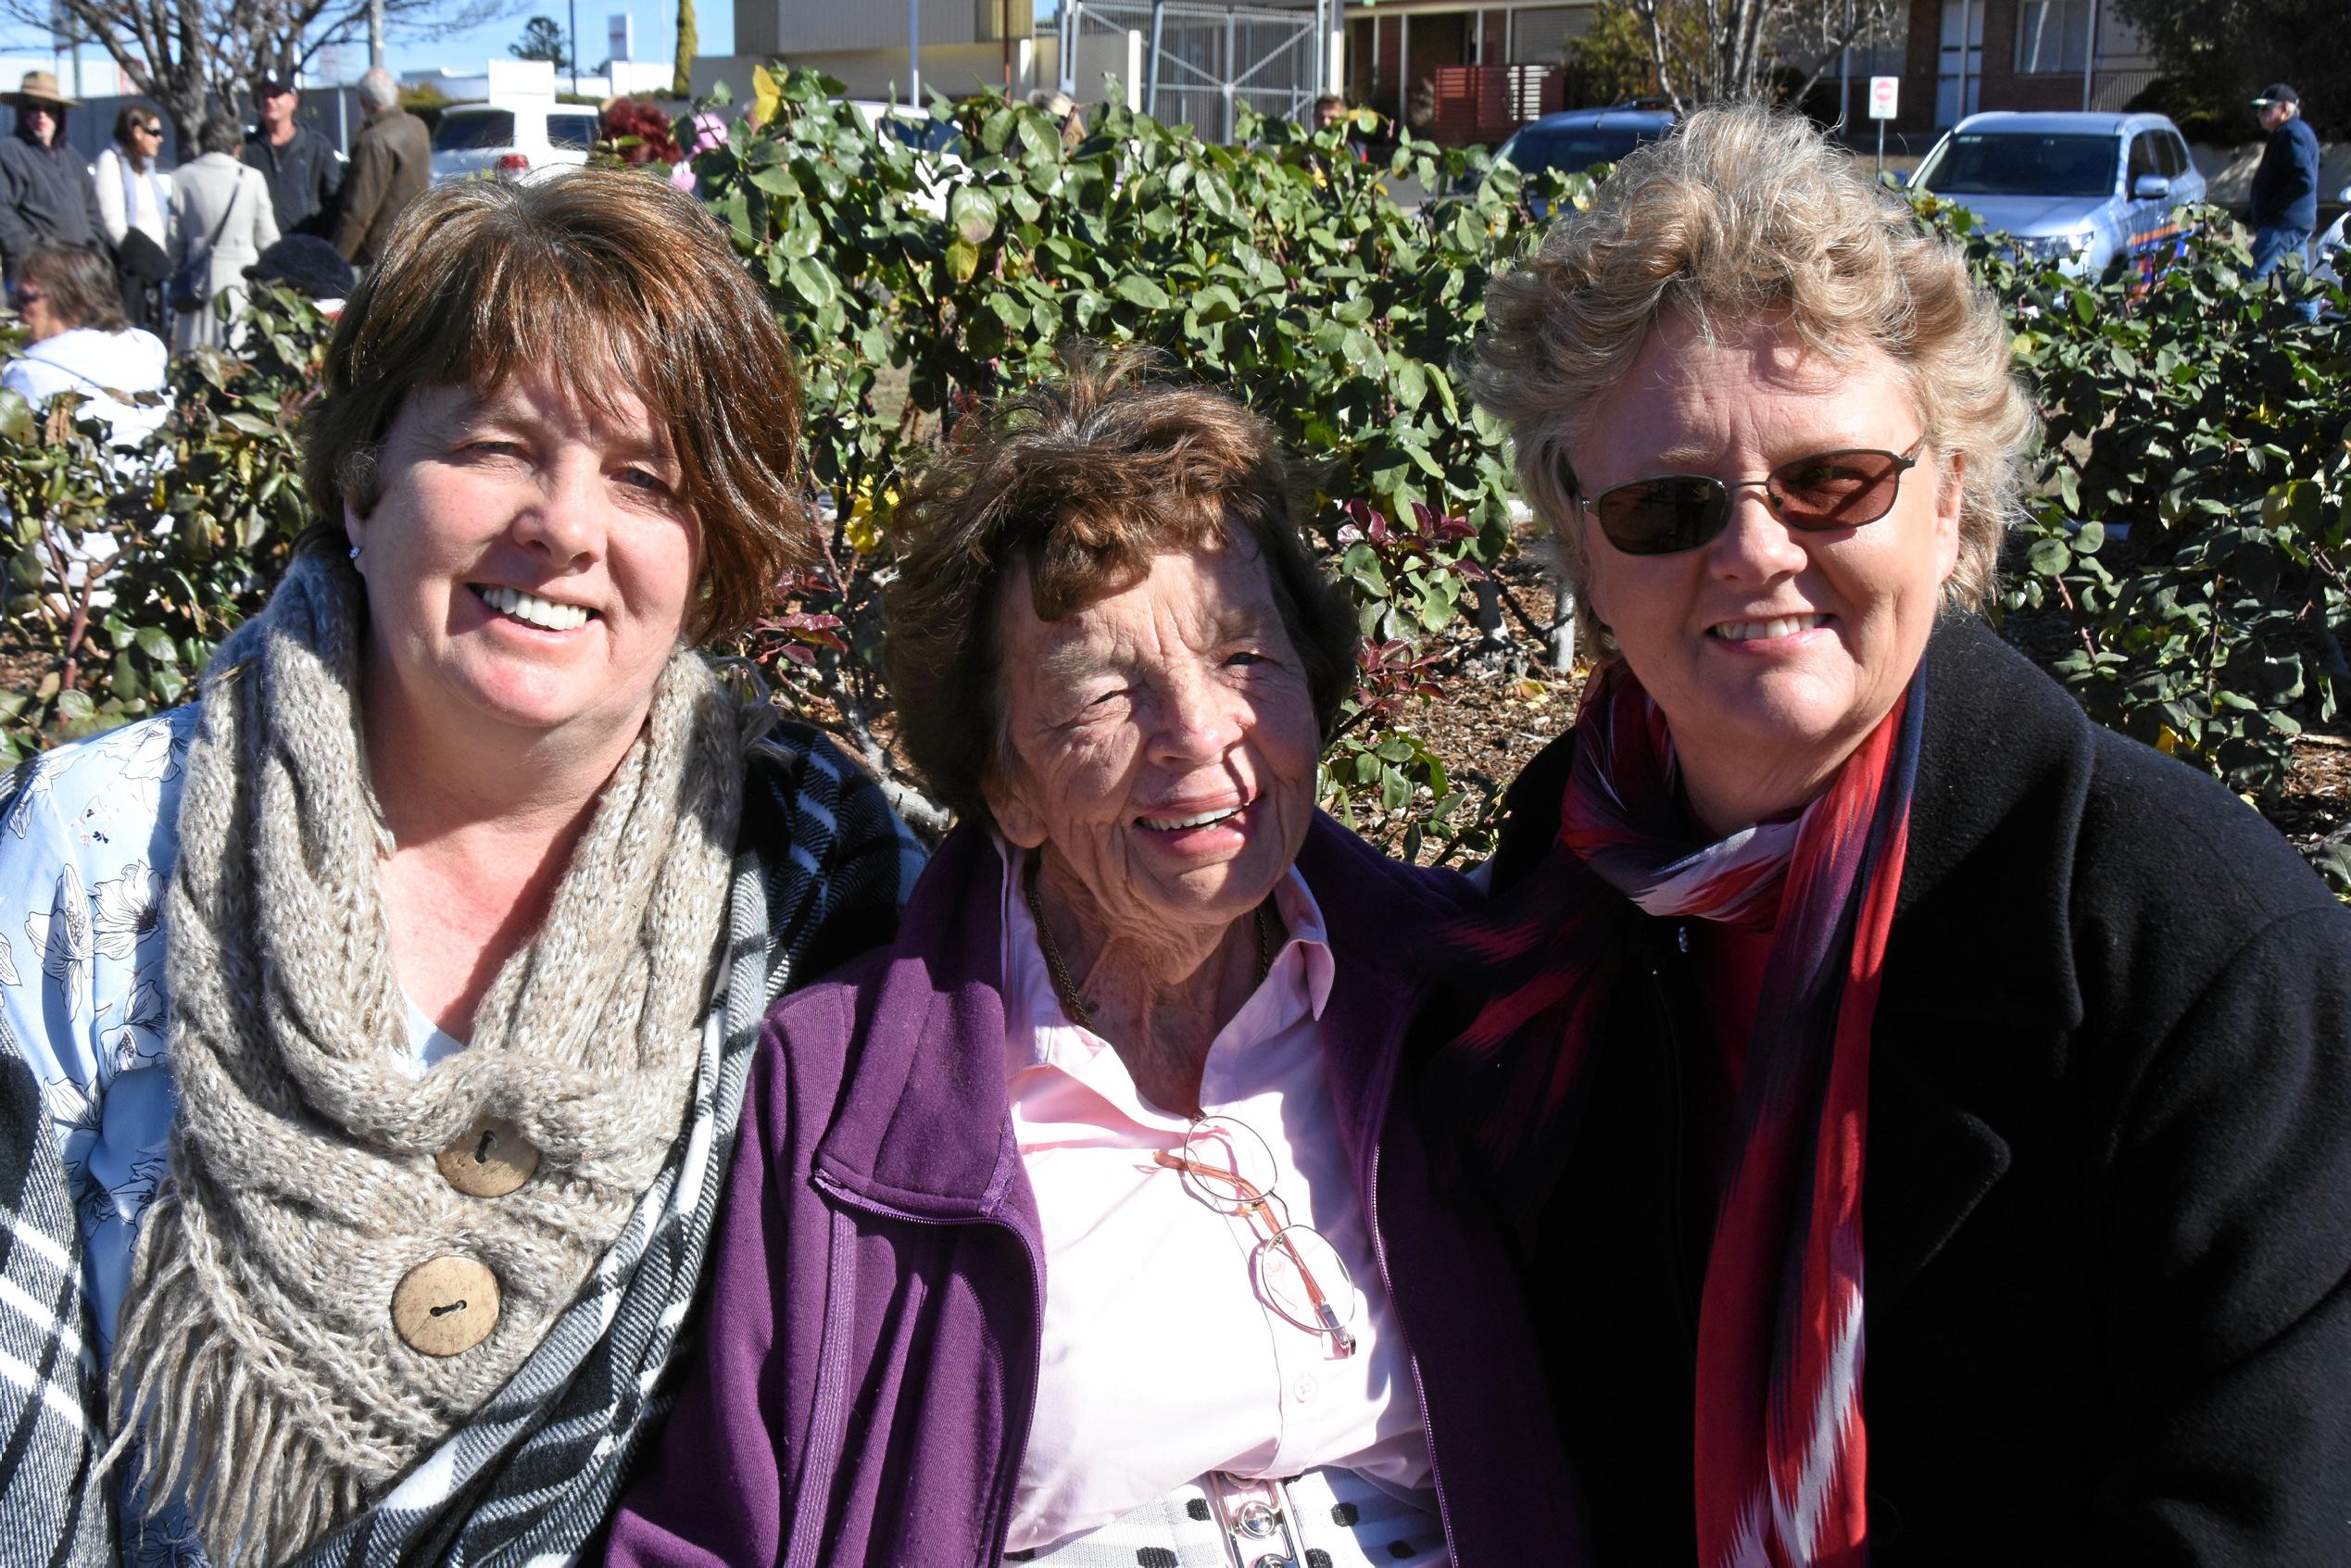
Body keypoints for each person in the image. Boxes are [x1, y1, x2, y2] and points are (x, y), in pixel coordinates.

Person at [1443, 102, 2351, 1565]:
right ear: (1580, 545)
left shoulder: (2195, 956)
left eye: (1828, 482)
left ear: (1947, 502)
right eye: (1668, 504)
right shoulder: (1565, 873)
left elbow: (2251, 1516)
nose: (1752, 550)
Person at [0, 169, 920, 1566]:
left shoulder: (814, 882)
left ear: (708, 550)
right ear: (366, 485)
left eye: (644, 478)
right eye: (494, 445)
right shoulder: (107, 851)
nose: (562, 523)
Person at [603, 351, 1583, 1567]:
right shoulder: (849, 1089)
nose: (1194, 736)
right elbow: (719, 1523)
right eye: (1103, 693)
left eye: (1242, 659)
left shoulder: (1451, 1001)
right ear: (1005, 782)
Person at [2, 243, 168, 448]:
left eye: (24, 299)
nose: (13, 310)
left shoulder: (29, 373)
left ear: (73, 303)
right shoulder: (143, 351)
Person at [169, 113, 280, 354]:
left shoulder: (181, 178)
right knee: (239, 354)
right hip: (241, 282)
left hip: (196, 281)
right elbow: (268, 239)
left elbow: (174, 240)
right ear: (237, 146)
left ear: (201, 141)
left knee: (197, 356)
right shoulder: (252, 178)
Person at [0, 70, 103, 284]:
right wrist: (32, 259)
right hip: (36, 279)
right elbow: (3, 214)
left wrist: (96, 257)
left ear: (60, 114)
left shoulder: (73, 157)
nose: (41, 115)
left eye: (50, 108)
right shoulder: (9, 152)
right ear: (22, 111)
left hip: (81, 276)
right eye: (33, 107)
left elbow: (93, 213)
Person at [333, 67, 430, 268]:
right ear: (395, 94)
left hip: (381, 252)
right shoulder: (417, 126)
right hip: (415, 240)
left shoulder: (374, 140)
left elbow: (359, 213)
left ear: (363, 101)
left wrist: (335, 260)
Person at [94, 105, 173, 333]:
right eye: (155, 132)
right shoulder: (111, 161)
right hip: (129, 274)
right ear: (137, 131)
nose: (160, 139)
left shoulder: (147, 169)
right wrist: (145, 261)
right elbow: (113, 224)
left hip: (154, 275)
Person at [2247, 82, 2322, 320]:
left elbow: (2303, 180)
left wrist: (2272, 207)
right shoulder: (2291, 132)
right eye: (2259, 109)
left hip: (2284, 223)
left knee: (2249, 274)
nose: (2261, 114)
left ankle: (2239, 334)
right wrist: (2251, 214)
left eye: (2267, 108)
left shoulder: (2291, 133)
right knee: (2296, 285)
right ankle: (2310, 338)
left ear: (2286, 109)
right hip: (2293, 221)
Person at [242, 73, 344, 239]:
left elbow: (333, 199)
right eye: (265, 95)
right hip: (260, 250)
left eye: (276, 95)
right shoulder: (247, 147)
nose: (269, 101)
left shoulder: (316, 145)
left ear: (293, 100)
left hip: (305, 247)